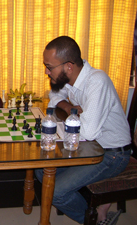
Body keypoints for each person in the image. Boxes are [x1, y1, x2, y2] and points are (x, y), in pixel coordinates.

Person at [35, 36, 132, 225]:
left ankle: (93, 220)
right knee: (42, 170)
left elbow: (87, 133)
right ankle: (94, 209)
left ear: (69, 66)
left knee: (55, 191)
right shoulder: (72, 78)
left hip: (112, 154)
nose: (47, 71)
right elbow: (54, 94)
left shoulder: (96, 81)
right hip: (89, 148)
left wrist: (68, 121)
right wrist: (68, 107)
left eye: (50, 66)